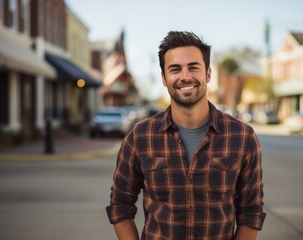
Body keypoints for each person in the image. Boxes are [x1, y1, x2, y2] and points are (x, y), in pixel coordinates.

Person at [106, 31, 266, 240]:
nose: (185, 76)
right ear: (164, 78)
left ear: (208, 73)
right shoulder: (140, 137)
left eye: (193, 67)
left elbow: (251, 211)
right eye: (175, 69)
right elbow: (120, 204)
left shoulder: (243, 137)